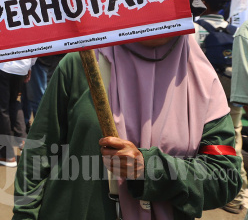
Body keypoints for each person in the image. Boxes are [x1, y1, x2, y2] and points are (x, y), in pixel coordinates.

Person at [13, 33, 242, 219]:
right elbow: (38, 152)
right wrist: (24, 215)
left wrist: (150, 169)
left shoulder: (203, 83)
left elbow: (225, 178)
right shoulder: (83, 63)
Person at [193, 0, 245, 214]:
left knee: (199, 142)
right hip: (232, 92)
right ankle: (236, 193)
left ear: (204, 3)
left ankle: (202, 187)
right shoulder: (234, 30)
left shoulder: (194, 28)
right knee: (232, 140)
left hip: (203, 97)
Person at [0, 56, 35, 166]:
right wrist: (28, 65)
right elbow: (34, 47)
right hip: (21, 67)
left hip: (1, 66)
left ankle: (7, 155)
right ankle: (23, 142)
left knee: (1, 110)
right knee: (13, 102)